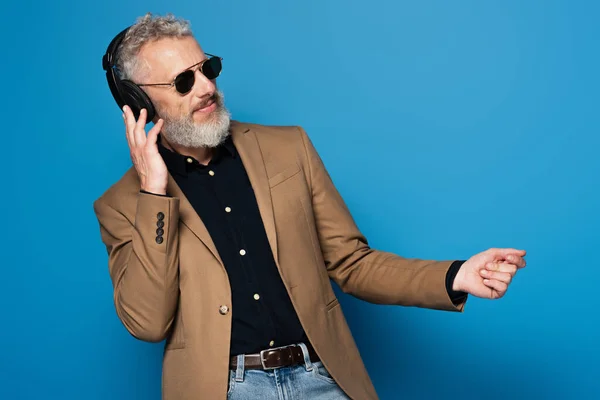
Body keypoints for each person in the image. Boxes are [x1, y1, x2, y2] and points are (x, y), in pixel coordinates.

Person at [93, 12, 527, 400]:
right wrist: (154, 192)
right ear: (140, 103)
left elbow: (353, 264)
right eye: (184, 81)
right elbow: (147, 322)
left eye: (207, 68)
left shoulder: (288, 148)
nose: (207, 87)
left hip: (323, 378)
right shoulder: (122, 205)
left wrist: (456, 275)